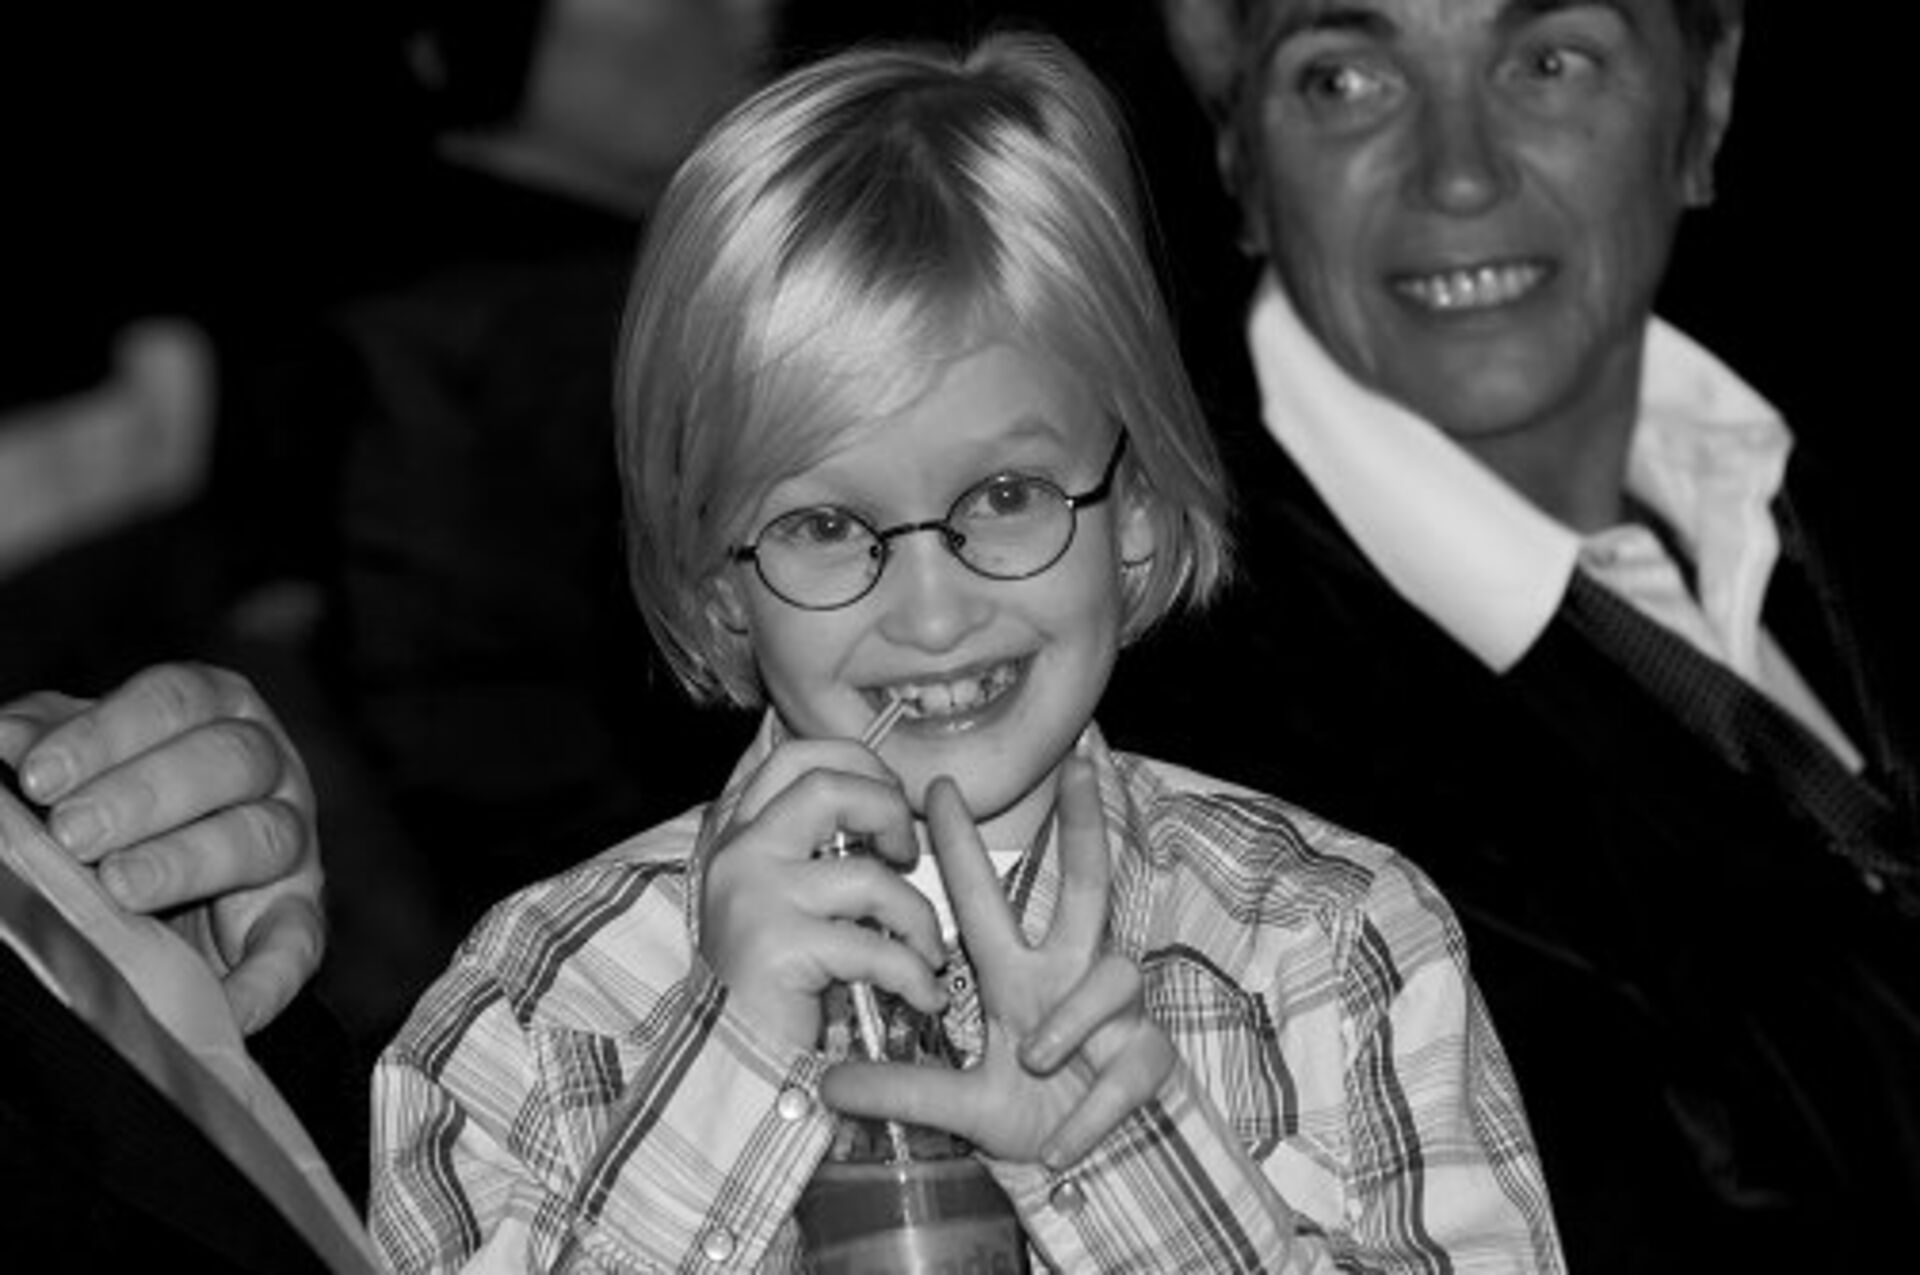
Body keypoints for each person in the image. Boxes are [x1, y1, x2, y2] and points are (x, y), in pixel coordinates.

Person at [367, 33, 1561, 1273]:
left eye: (1004, 497)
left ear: (1135, 512)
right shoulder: (542, 1001)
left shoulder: (1330, 944)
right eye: (825, 526)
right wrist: (731, 1064)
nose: (933, 616)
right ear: (719, 583)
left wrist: (1120, 1157)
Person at [1097, 0, 1920, 1267]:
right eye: (1345, 79)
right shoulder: (1208, 765)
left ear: (1705, 105)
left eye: (1549, 60)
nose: (1460, 172)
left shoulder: (1811, 491)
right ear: (1238, 153)